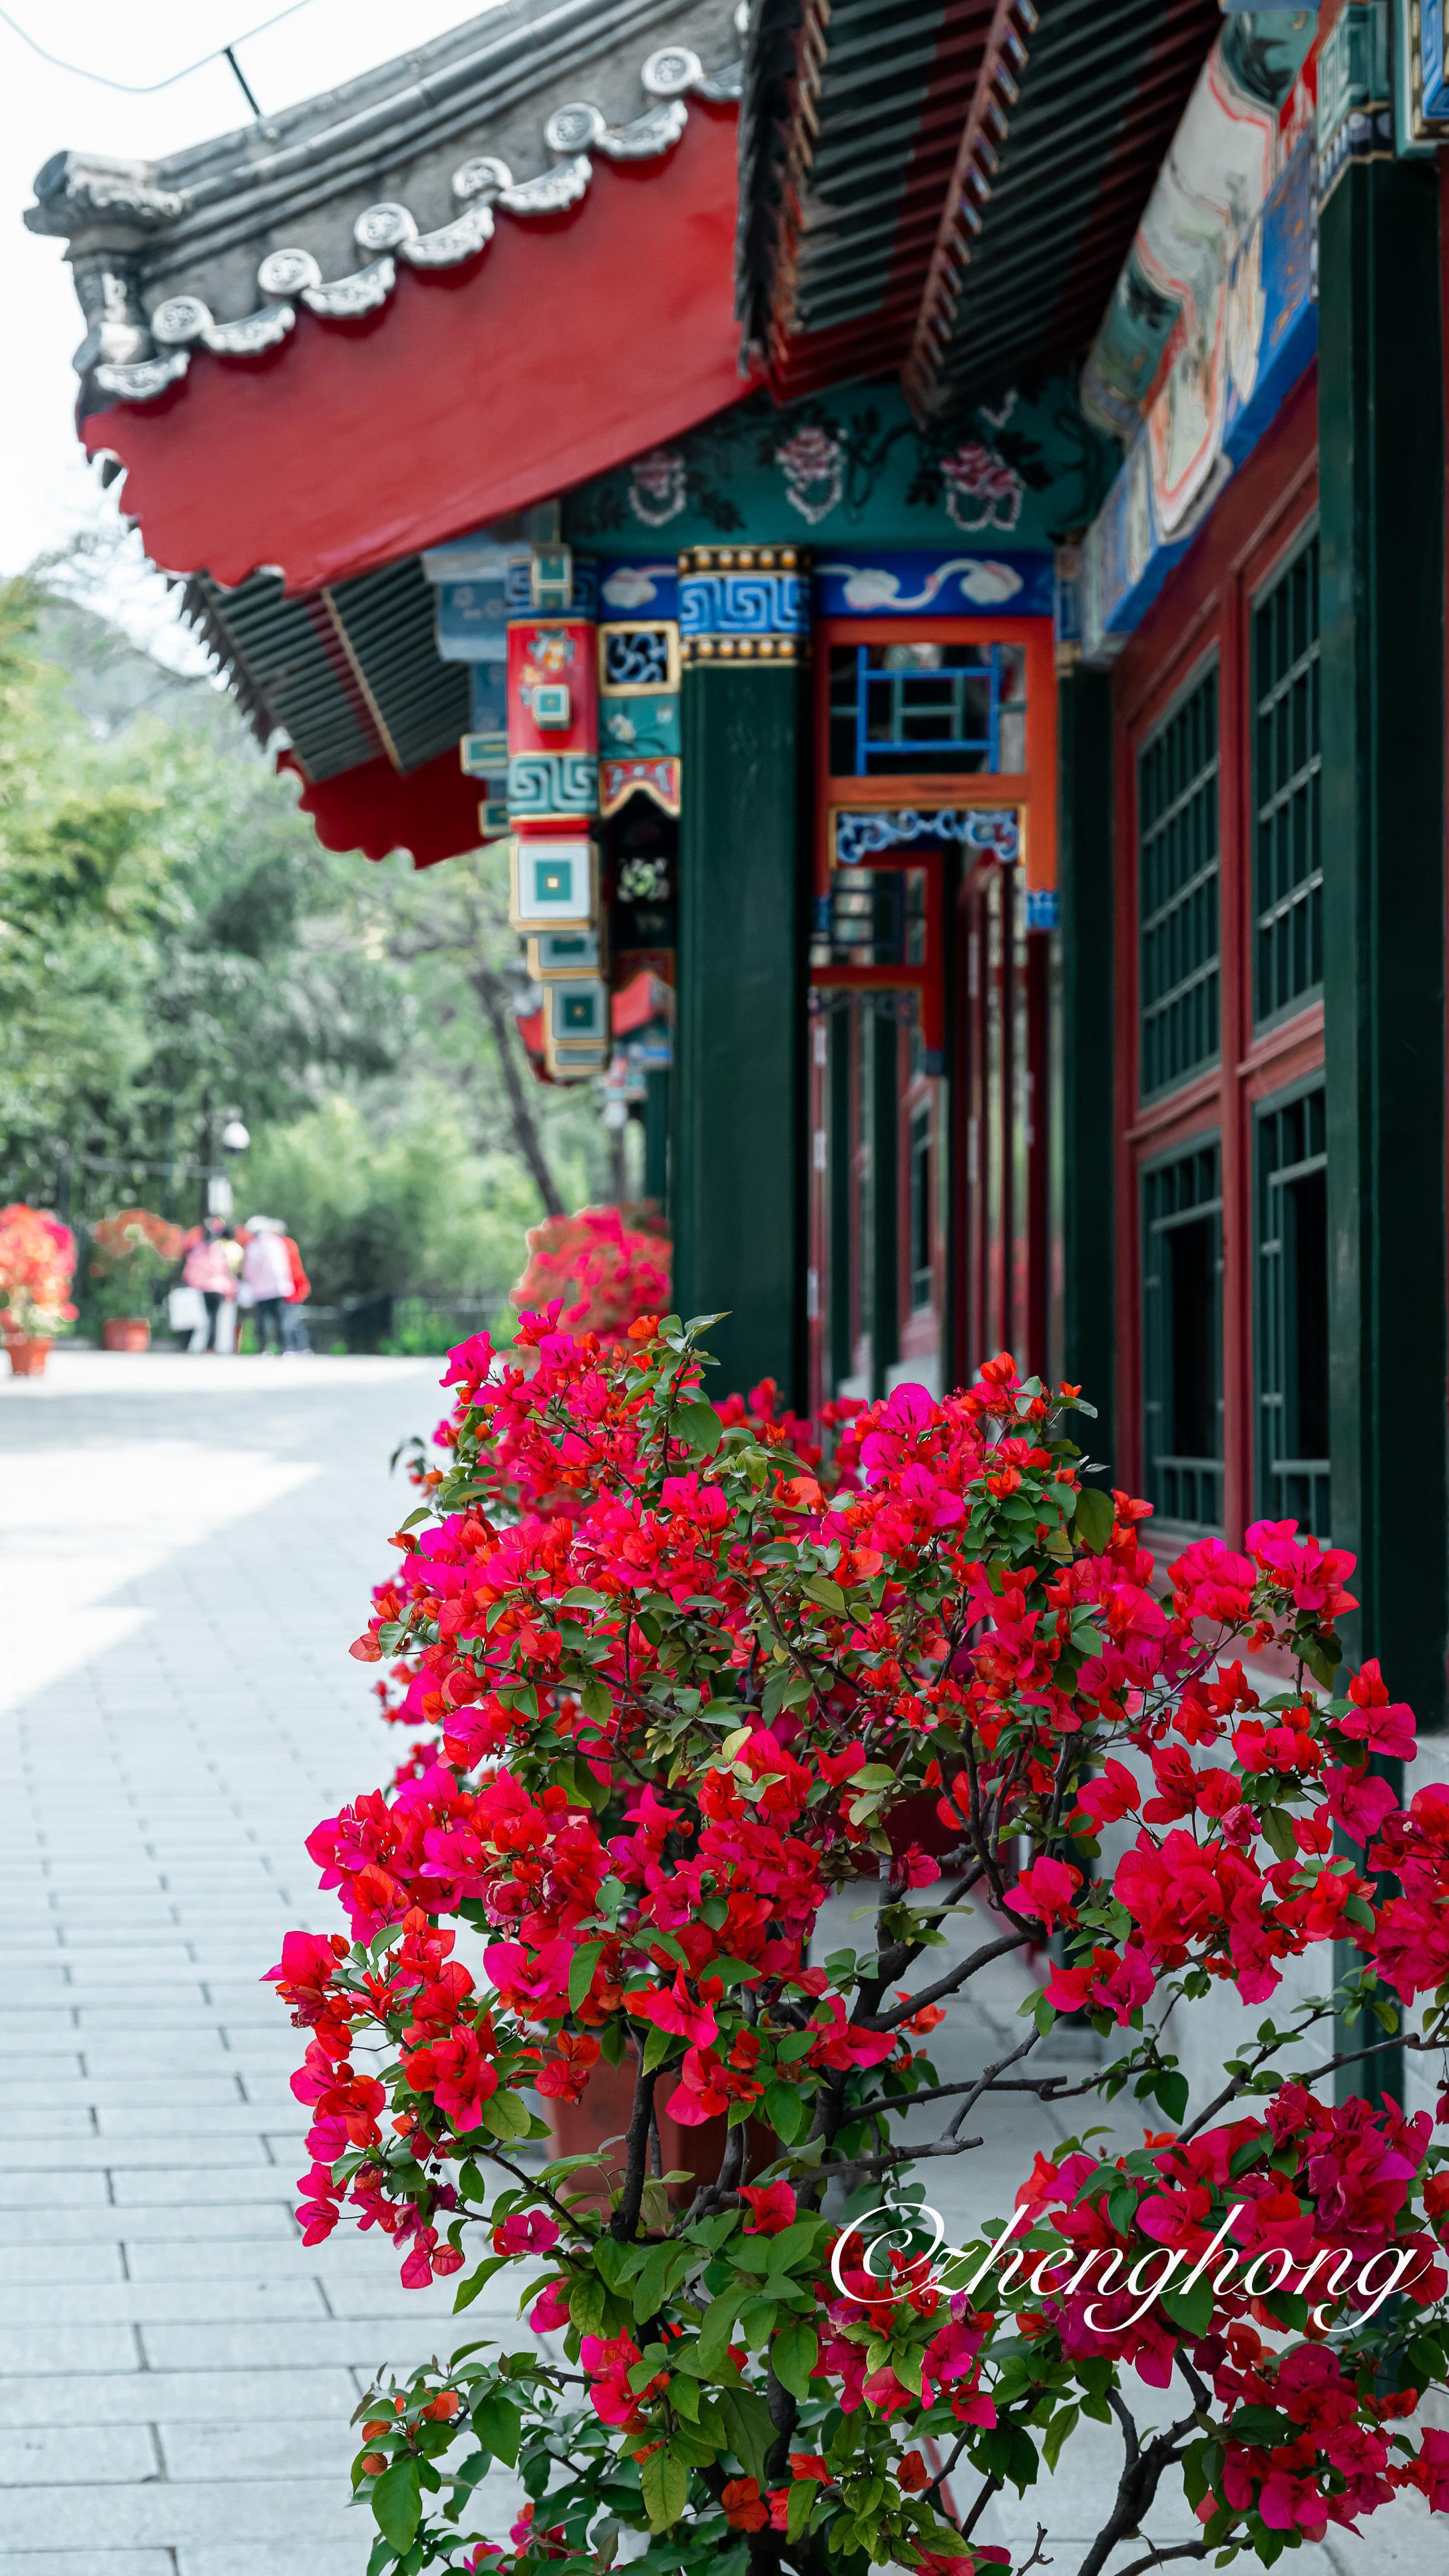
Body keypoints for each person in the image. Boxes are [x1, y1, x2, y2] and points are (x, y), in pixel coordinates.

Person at [240, 1215, 293, 1353]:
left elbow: (249, 1270)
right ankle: (284, 1348)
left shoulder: (253, 1247)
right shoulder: (277, 1243)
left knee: (263, 1319)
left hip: (261, 1290)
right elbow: (285, 1265)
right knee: (280, 1319)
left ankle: (263, 1348)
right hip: (279, 1287)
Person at [181, 1219, 236, 1353]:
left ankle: (191, 1345)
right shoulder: (219, 1250)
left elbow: (190, 1270)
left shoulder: (197, 1250)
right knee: (214, 1319)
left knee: (200, 1318)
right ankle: (210, 1347)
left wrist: (189, 1283)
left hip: (202, 1288)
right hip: (217, 1288)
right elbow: (225, 1270)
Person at [279, 1226, 311, 1353]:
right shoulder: (288, 1243)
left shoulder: (284, 1244)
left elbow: (293, 1270)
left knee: (291, 1321)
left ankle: (296, 1347)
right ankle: (300, 1347)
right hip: (292, 1288)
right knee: (292, 1320)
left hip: (292, 1289)